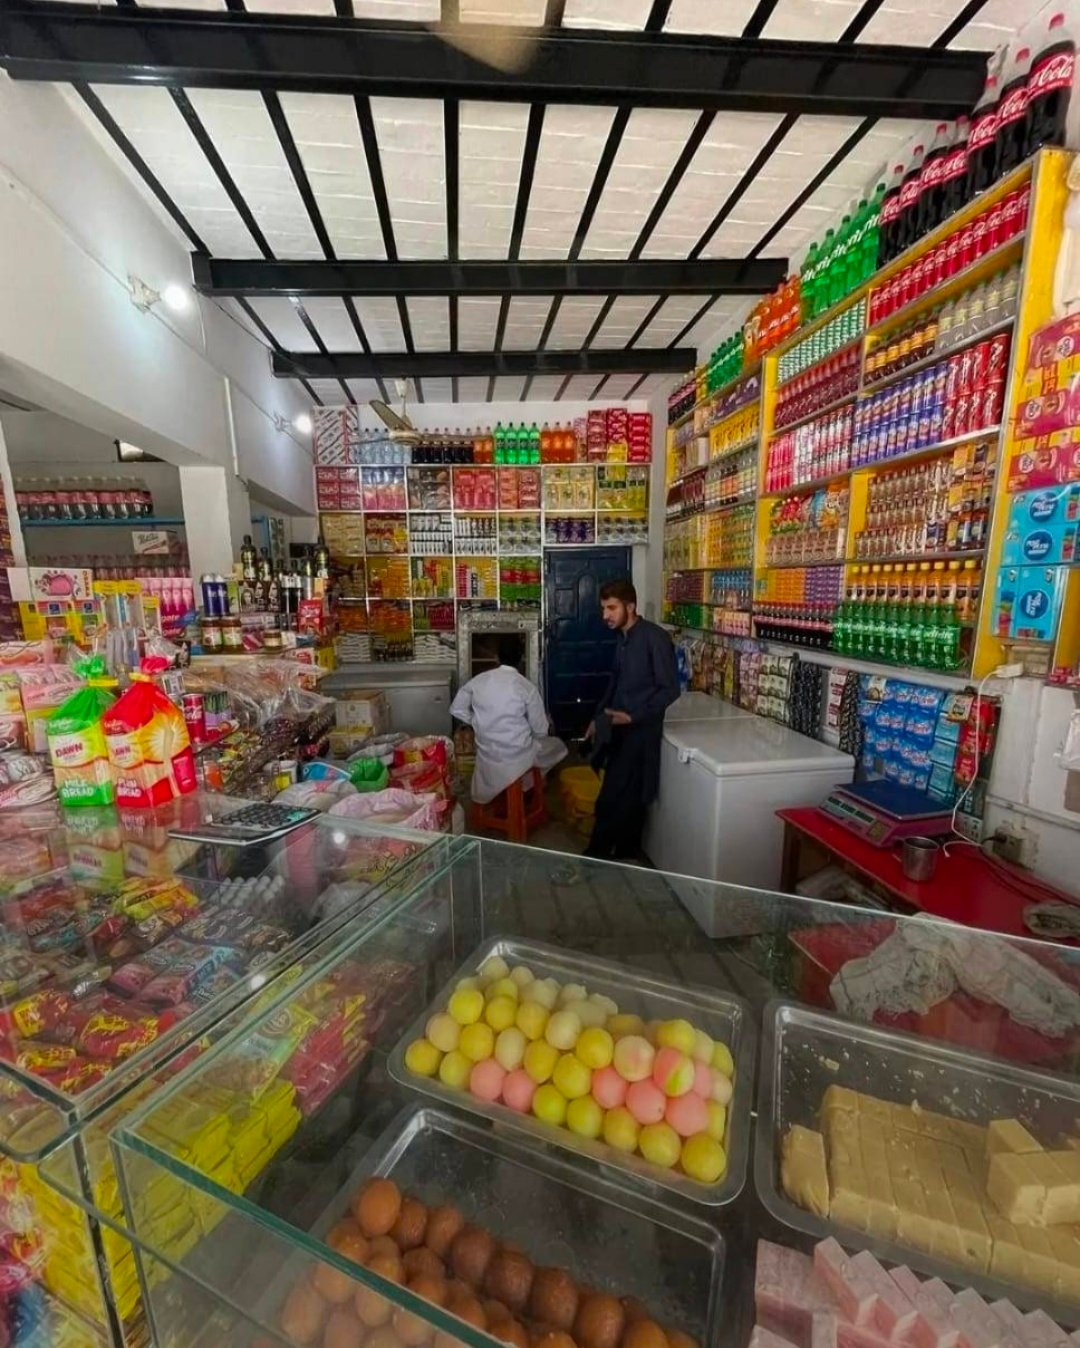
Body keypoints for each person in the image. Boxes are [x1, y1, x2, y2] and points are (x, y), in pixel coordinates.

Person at [585, 579, 679, 861]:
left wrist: (634, 716)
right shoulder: (622, 638)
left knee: (614, 796)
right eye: (603, 609)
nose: (605, 615)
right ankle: (625, 850)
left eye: (611, 608)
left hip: (641, 732)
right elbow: (615, 681)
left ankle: (596, 856)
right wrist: (598, 717)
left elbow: (669, 690)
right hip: (618, 728)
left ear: (631, 606)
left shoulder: (654, 638)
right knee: (624, 794)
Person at [450, 636, 567, 805]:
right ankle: (524, 786)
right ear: (521, 658)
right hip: (518, 758)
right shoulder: (526, 687)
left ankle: (511, 786)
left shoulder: (478, 681)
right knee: (557, 747)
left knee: (533, 749)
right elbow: (541, 730)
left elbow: (456, 709)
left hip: (488, 757)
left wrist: (476, 720)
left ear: (496, 657)